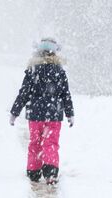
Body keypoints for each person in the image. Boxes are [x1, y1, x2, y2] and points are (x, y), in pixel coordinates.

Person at [9, 38, 74, 185]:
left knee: (35, 142)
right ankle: (50, 172)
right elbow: (65, 94)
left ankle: (34, 172)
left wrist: (15, 112)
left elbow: (24, 93)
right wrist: (70, 114)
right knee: (50, 143)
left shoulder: (33, 70)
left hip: (35, 114)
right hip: (54, 114)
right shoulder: (59, 71)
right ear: (55, 52)